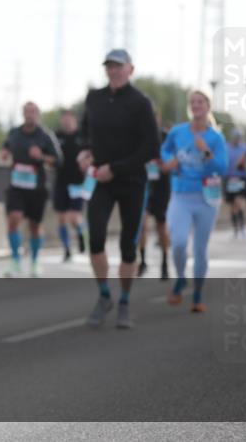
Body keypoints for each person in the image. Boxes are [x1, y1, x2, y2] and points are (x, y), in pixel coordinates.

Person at [77, 49, 160, 329]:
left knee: (128, 246)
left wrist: (116, 168)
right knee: (96, 238)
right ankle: (104, 296)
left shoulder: (140, 103)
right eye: (109, 66)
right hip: (101, 179)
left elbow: (151, 147)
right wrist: (85, 152)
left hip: (132, 182)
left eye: (118, 66)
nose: (113, 71)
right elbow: (84, 132)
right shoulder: (94, 98)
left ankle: (124, 301)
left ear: (130, 69)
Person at [160, 90, 228, 312]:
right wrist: (169, 161)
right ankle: (180, 278)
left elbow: (222, 167)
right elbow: (165, 149)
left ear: (208, 106)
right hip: (180, 196)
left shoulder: (216, 138)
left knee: (200, 249)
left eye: (200, 102)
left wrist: (206, 152)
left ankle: (197, 295)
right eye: (193, 102)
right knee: (178, 243)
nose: (196, 105)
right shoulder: (178, 132)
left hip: (206, 199)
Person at [0, 102, 61, 277]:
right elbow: (5, 148)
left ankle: (35, 262)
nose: (30, 115)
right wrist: (4, 153)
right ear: (23, 114)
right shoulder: (14, 133)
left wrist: (41, 156)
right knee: (14, 218)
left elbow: (58, 161)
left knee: (35, 226)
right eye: (27, 112)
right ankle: (15, 261)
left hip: (37, 187)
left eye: (33, 112)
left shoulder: (45, 136)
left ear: (38, 115)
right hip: (17, 186)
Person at [139, 108, 171, 279]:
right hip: (144, 184)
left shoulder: (166, 136)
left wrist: (163, 162)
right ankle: (142, 261)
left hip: (161, 185)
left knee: (161, 225)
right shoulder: (138, 135)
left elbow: (175, 158)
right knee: (141, 224)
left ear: (158, 118)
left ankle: (165, 262)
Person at [53, 109, 87, 262]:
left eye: (69, 118)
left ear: (74, 119)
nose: (66, 121)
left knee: (74, 217)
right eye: (64, 118)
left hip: (78, 182)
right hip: (61, 181)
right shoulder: (56, 137)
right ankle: (66, 248)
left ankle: (82, 234)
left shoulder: (82, 136)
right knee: (61, 218)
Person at [224, 127, 246, 248]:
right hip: (229, 178)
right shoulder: (226, 147)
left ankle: (243, 227)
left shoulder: (245, 148)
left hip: (242, 178)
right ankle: (236, 229)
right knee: (233, 205)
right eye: (235, 137)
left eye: (239, 137)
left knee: (239, 202)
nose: (237, 140)